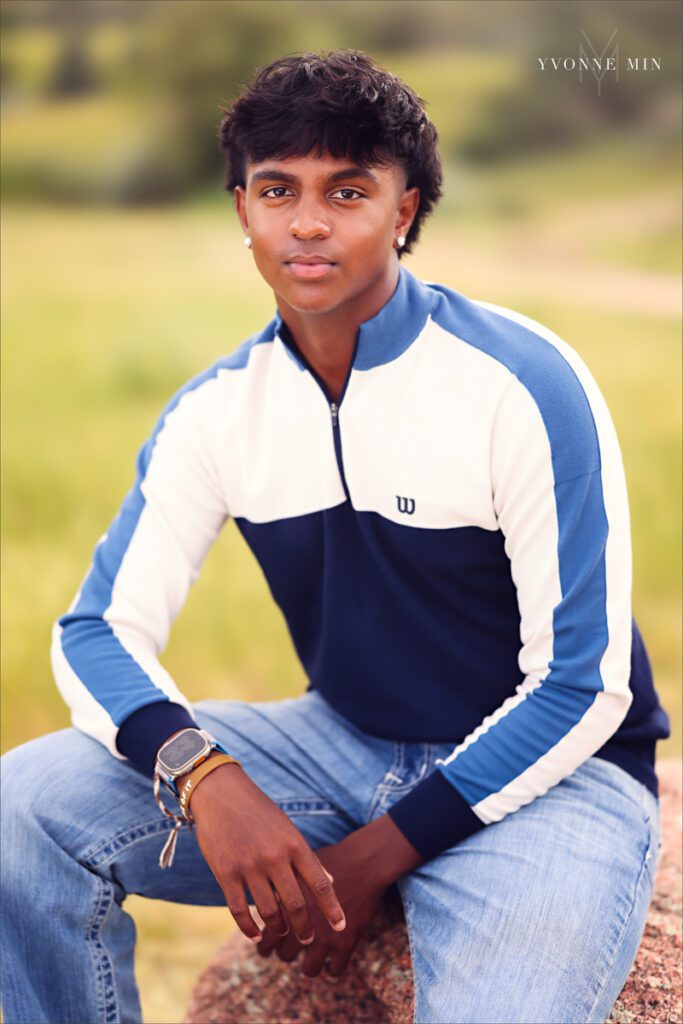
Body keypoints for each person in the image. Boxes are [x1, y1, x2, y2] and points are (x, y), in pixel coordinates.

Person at [1, 49, 671, 1024]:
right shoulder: (217, 411)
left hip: (551, 786)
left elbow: (582, 681)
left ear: (402, 212)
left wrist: (374, 857)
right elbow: (95, 629)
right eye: (277, 190)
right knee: (20, 806)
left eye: (346, 190)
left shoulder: (520, 381)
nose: (307, 222)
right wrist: (204, 774)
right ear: (241, 211)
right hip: (341, 743)